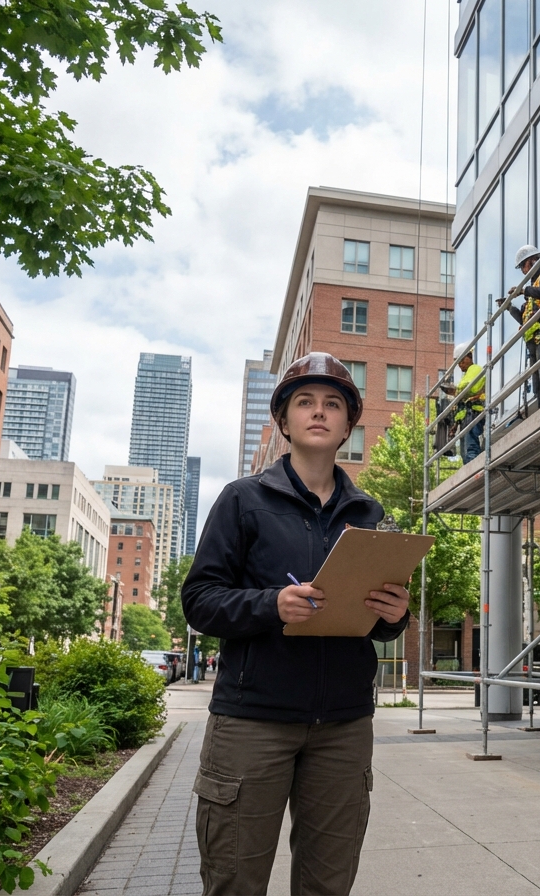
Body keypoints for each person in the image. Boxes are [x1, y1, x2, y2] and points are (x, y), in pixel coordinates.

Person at [182, 351, 411, 896]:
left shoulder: (370, 514)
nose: (318, 412)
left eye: (333, 404)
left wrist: (396, 617)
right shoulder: (243, 500)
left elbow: (376, 618)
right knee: (234, 879)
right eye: (304, 402)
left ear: (349, 424)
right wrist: (270, 605)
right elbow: (199, 600)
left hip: (343, 726)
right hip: (252, 722)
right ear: (283, 421)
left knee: (328, 883)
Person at [500, 245, 540, 406]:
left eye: (523, 265)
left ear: (532, 261)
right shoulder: (533, 288)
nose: (522, 271)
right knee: (538, 387)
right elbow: (525, 319)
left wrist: (524, 290)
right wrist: (509, 308)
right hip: (535, 339)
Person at [439, 349, 485, 463]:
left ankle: (473, 467)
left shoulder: (475, 369)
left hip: (474, 411)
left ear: (468, 357)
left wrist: (455, 390)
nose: (459, 365)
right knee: (465, 452)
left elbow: (469, 387)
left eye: (461, 361)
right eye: (457, 362)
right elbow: (462, 402)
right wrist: (456, 423)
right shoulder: (465, 375)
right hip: (467, 415)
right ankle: (470, 468)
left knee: (471, 447)